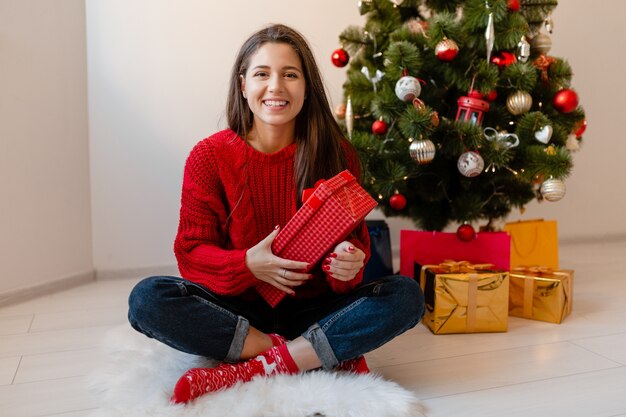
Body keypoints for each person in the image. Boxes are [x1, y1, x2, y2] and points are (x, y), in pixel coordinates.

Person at [127, 23, 424, 404]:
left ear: (307, 86)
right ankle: (308, 352)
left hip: (315, 307)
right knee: (147, 299)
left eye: (290, 75)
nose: (276, 87)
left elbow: (354, 255)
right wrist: (248, 264)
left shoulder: (337, 155)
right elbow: (191, 252)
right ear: (243, 84)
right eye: (262, 74)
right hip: (240, 313)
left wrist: (347, 263)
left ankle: (260, 364)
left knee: (405, 296)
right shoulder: (209, 157)